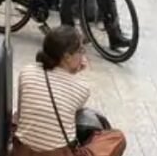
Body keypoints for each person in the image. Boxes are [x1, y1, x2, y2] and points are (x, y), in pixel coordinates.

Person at [13, 27, 125, 156]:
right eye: (81, 51)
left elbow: (20, 116)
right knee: (117, 137)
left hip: (21, 152)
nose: (83, 55)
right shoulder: (82, 88)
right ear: (67, 57)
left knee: (18, 114)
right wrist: (75, 72)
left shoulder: (27, 71)